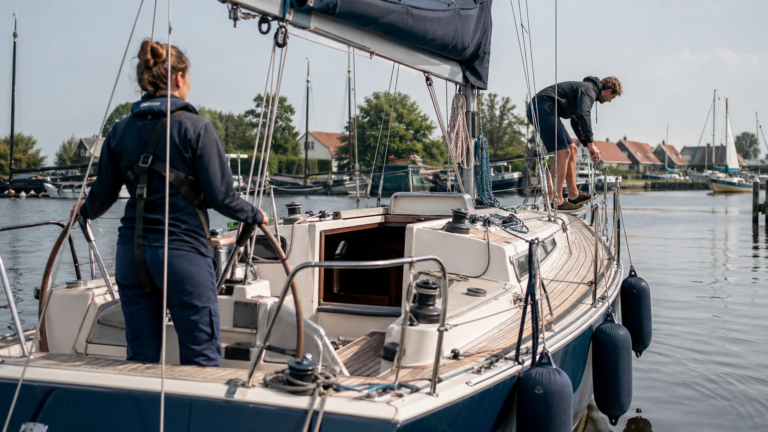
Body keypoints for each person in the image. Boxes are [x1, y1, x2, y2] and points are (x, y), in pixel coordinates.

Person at [71, 39, 266, 367]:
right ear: (178, 78)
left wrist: (84, 211)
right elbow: (222, 197)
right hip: (181, 254)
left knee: (141, 359)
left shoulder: (119, 131)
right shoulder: (197, 128)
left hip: (131, 256)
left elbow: (101, 198)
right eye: (189, 77)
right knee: (201, 360)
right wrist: (254, 214)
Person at [526, 76, 622, 211]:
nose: (610, 101)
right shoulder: (589, 90)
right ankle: (556, 201)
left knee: (572, 149)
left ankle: (573, 195)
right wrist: (590, 143)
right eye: (612, 97)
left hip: (547, 110)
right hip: (542, 108)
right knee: (562, 152)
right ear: (608, 91)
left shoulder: (586, 90)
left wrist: (589, 144)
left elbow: (576, 121)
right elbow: (584, 114)